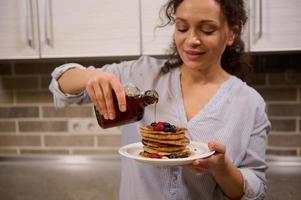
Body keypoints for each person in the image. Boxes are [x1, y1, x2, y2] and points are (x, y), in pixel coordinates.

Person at [49, 0, 271, 199]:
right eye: (182, 27)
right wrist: (91, 76)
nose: (191, 40)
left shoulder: (250, 104)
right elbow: (60, 86)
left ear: (232, 33)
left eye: (207, 29)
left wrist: (221, 168)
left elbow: (255, 188)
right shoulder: (140, 74)